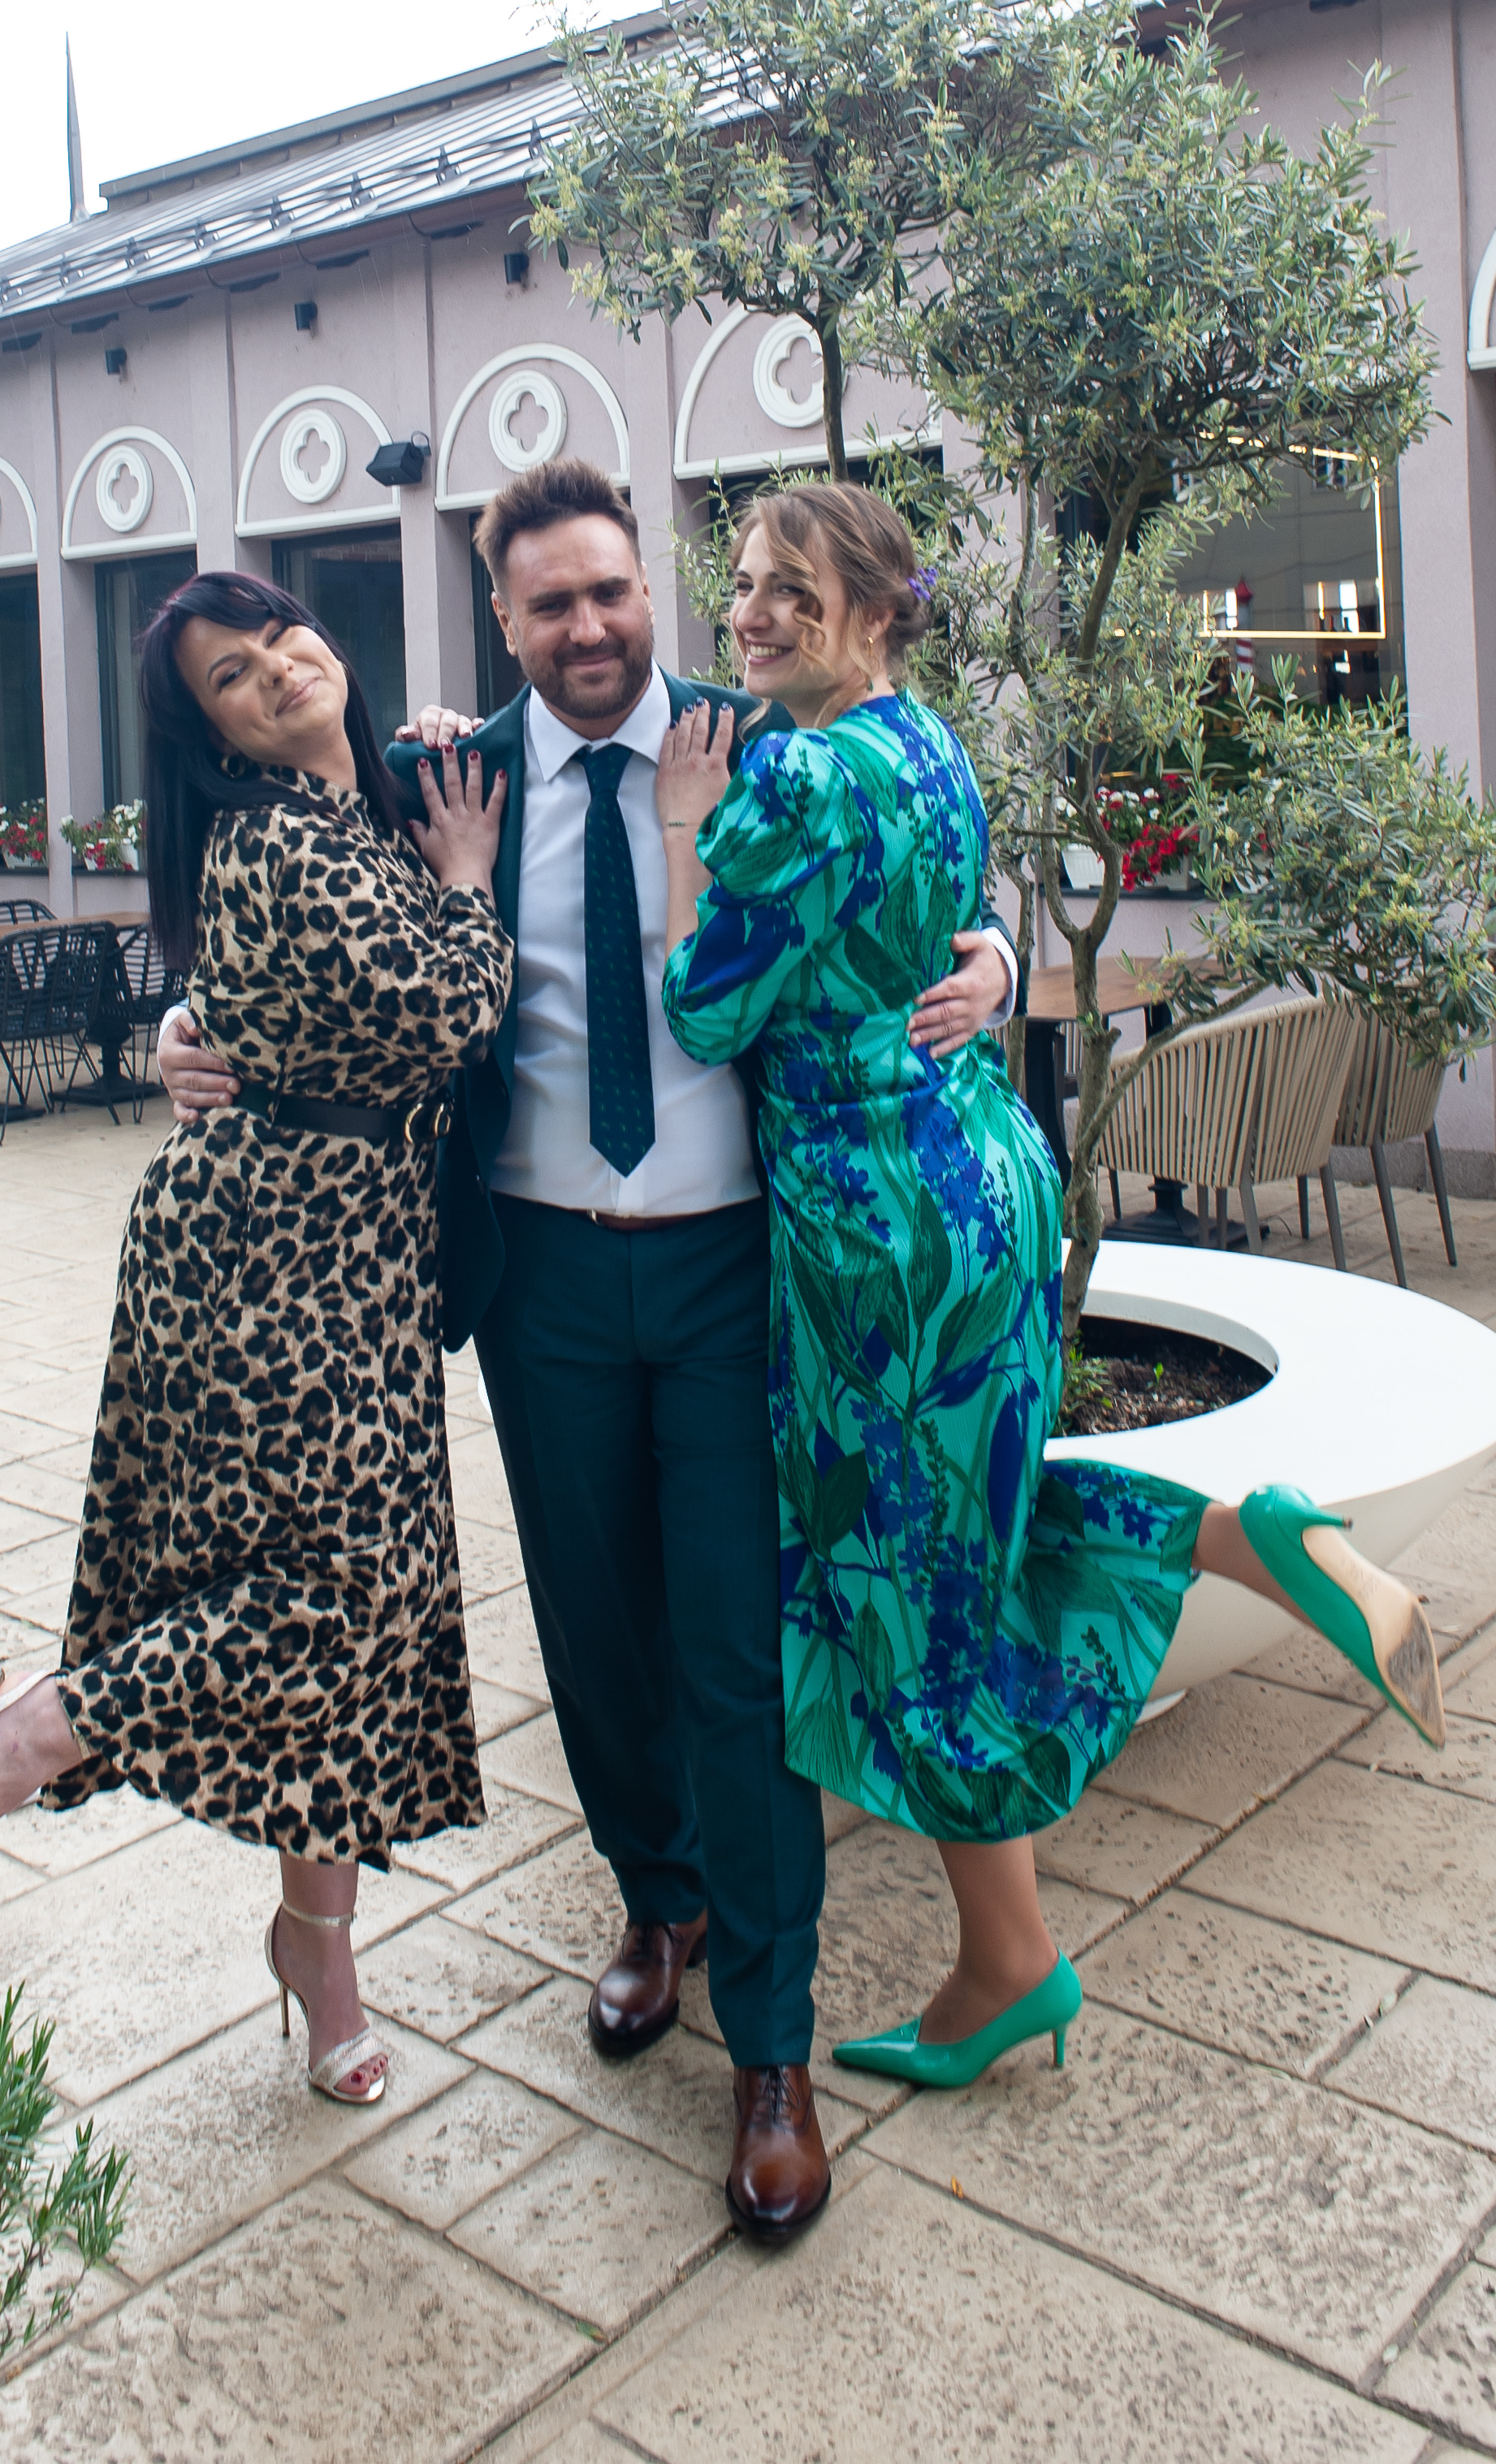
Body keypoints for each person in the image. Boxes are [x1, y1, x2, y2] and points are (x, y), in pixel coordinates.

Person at [158, 459, 1018, 2240]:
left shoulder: (758, 741)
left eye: (613, 589)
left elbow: (919, 859)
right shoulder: (432, 782)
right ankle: (657, 1898)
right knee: (596, 1629)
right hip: (540, 1272)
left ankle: (768, 2050)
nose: (591, 626)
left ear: (650, 588)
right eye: (550, 601)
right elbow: (284, 916)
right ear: (502, 619)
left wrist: (995, 951)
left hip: (733, 1274)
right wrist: (185, 1023)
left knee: (736, 1655)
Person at [656, 480, 1445, 2089]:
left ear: (874, 607)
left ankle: (1015, 1947)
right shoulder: (928, 743)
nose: (746, 615)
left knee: (913, 1577)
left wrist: (685, 832)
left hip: (877, 1227)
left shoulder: (792, 771)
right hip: (984, 1173)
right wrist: (995, 959)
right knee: (965, 1532)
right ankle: (1230, 1566)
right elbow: (945, 928)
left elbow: (702, 1007)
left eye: (786, 589)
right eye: (739, 583)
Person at [0, 572, 512, 2108]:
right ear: (214, 738)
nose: (277, 670)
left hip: (357, 1257)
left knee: (365, 1627)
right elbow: (441, 1009)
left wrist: (215, 1000)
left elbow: (287, 988)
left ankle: (320, 1955)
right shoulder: (275, 837)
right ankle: (39, 1729)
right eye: (231, 675)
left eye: (280, 637)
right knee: (333, 1588)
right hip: (271, 1263)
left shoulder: (362, 802)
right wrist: (467, 877)